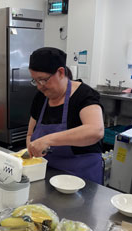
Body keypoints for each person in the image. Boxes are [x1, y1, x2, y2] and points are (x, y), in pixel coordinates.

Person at [26, 47, 104, 184]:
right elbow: (30, 135)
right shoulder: (41, 97)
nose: (39, 86)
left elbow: (95, 130)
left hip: (82, 177)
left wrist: (48, 140)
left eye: (43, 80)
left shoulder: (84, 95)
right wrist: (32, 151)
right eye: (35, 81)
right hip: (48, 174)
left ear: (61, 72)